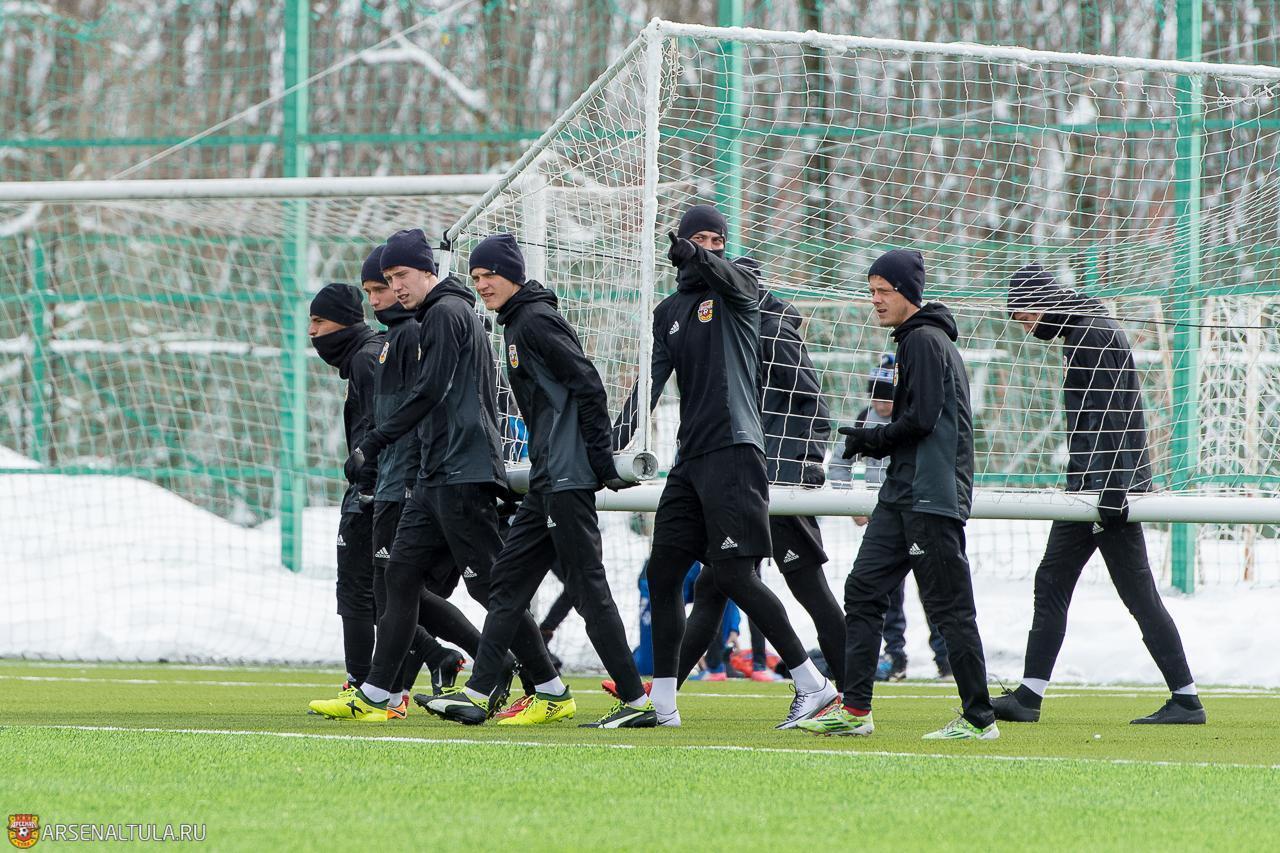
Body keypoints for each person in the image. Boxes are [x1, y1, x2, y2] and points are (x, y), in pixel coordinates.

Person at [309, 228, 558, 722]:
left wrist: (373, 445)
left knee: (489, 586)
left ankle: (548, 686)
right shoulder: (429, 318)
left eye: (400, 276)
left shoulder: (445, 313)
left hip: (460, 469)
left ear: (428, 270)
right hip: (434, 471)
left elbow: (429, 392)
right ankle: (377, 692)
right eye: (386, 280)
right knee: (397, 578)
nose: (393, 288)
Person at [614, 203, 836, 728]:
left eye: (718, 241)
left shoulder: (738, 294)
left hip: (735, 451)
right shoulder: (668, 311)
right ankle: (662, 704)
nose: (711, 249)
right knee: (663, 573)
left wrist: (697, 255)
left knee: (735, 575)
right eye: (702, 240)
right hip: (690, 459)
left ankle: (814, 685)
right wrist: (612, 444)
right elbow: (650, 384)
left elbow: (730, 275)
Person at [424, 234, 656, 728]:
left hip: (566, 478)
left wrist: (599, 460)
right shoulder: (515, 324)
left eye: (490, 275)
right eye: (476, 277)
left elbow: (588, 384)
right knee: (506, 583)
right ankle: (483, 692)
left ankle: (636, 701)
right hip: (547, 478)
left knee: (588, 589)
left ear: (513, 274)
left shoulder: (534, 321)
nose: (482, 284)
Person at [799, 248, 998, 740]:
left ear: (908, 292)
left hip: (930, 496)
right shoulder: (913, 340)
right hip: (901, 494)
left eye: (883, 291)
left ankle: (979, 718)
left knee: (949, 608)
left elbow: (922, 419)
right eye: (872, 291)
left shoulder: (924, 341)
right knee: (864, 589)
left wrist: (871, 440)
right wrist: (874, 442)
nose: (876, 300)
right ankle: (856, 709)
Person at [995, 264, 1204, 725]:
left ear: (1042, 303)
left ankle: (1186, 699)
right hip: (1093, 486)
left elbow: (1111, 415)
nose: (1024, 327)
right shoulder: (1085, 328)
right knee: (1056, 580)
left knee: (1134, 592)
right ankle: (1029, 696)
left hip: (1105, 491)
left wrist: (1110, 489)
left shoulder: (1090, 333)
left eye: (1024, 316)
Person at [663, 287, 846, 694]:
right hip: (745, 478)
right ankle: (662, 690)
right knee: (712, 585)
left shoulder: (772, 329)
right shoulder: (731, 332)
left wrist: (806, 461)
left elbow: (812, 400)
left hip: (778, 482)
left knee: (809, 589)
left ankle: (853, 695)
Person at [360, 245, 467, 713]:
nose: (381, 297)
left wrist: (384, 458)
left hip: (410, 482)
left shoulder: (418, 330)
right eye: (375, 287)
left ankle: (507, 665)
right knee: (397, 589)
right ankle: (389, 689)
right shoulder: (396, 337)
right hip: (398, 479)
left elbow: (421, 406)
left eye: (386, 285)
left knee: (400, 590)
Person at [846, 356, 951, 682]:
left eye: (886, 398)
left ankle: (946, 659)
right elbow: (840, 461)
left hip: (917, 508)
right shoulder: (864, 418)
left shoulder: (914, 417)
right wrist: (851, 500)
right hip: (884, 515)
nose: (881, 405)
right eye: (876, 398)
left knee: (933, 588)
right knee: (885, 591)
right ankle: (895, 656)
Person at [307, 282, 382, 696]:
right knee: (392, 593)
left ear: (345, 322)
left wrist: (365, 479)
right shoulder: (366, 357)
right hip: (383, 488)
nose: (312, 332)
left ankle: (362, 684)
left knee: (356, 588)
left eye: (319, 321)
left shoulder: (367, 360)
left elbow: (380, 428)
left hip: (375, 492)